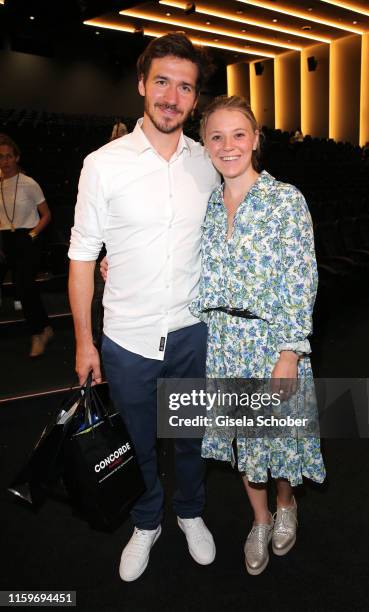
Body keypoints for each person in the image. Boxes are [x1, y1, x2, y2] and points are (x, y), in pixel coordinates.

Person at [68, 33, 219, 582]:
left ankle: (191, 511)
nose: (172, 96)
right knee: (136, 441)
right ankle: (148, 518)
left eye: (185, 86)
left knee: (189, 438)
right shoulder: (102, 165)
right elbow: (83, 258)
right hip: (127, 338)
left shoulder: (208, 164)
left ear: (195, 99)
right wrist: (85, 342)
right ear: (141, 85)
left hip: (190, 333)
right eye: (162, 82)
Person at [189, 95, 326, 575]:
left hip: (274, 344)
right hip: (225, 345)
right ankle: (261, 518)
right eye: (217, 137)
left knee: (282, 438)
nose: (229, 146)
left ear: (256, 140)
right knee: (248, 441)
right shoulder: (207, 205)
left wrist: (289, 352)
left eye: (238, 134)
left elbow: (301, 278)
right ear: (205, 145)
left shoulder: (285, 200)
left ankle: (287, 504)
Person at [0, 134, 53, 357]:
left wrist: (31, 235)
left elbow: (46, 215)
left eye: (9, 156)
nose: (5, 161)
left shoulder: (29, 183)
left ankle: (38, 333)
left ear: (17, 157)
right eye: (0, 157)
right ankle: (46, 327)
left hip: (28, 238)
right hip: (5, 238)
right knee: (23, 287)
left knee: (23, 286)